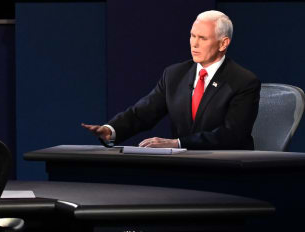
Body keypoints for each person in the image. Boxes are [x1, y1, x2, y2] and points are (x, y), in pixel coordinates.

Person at [82, 10, 259, 150]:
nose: (194, 44)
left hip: (226, 168)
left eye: (202, 38)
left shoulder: (243, 81)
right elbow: (143, 113)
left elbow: (232, 134)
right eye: (192, 36)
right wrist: (111, 130)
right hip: (183, 166)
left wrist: (178, 143)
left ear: (223, 43)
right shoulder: (175, 75)